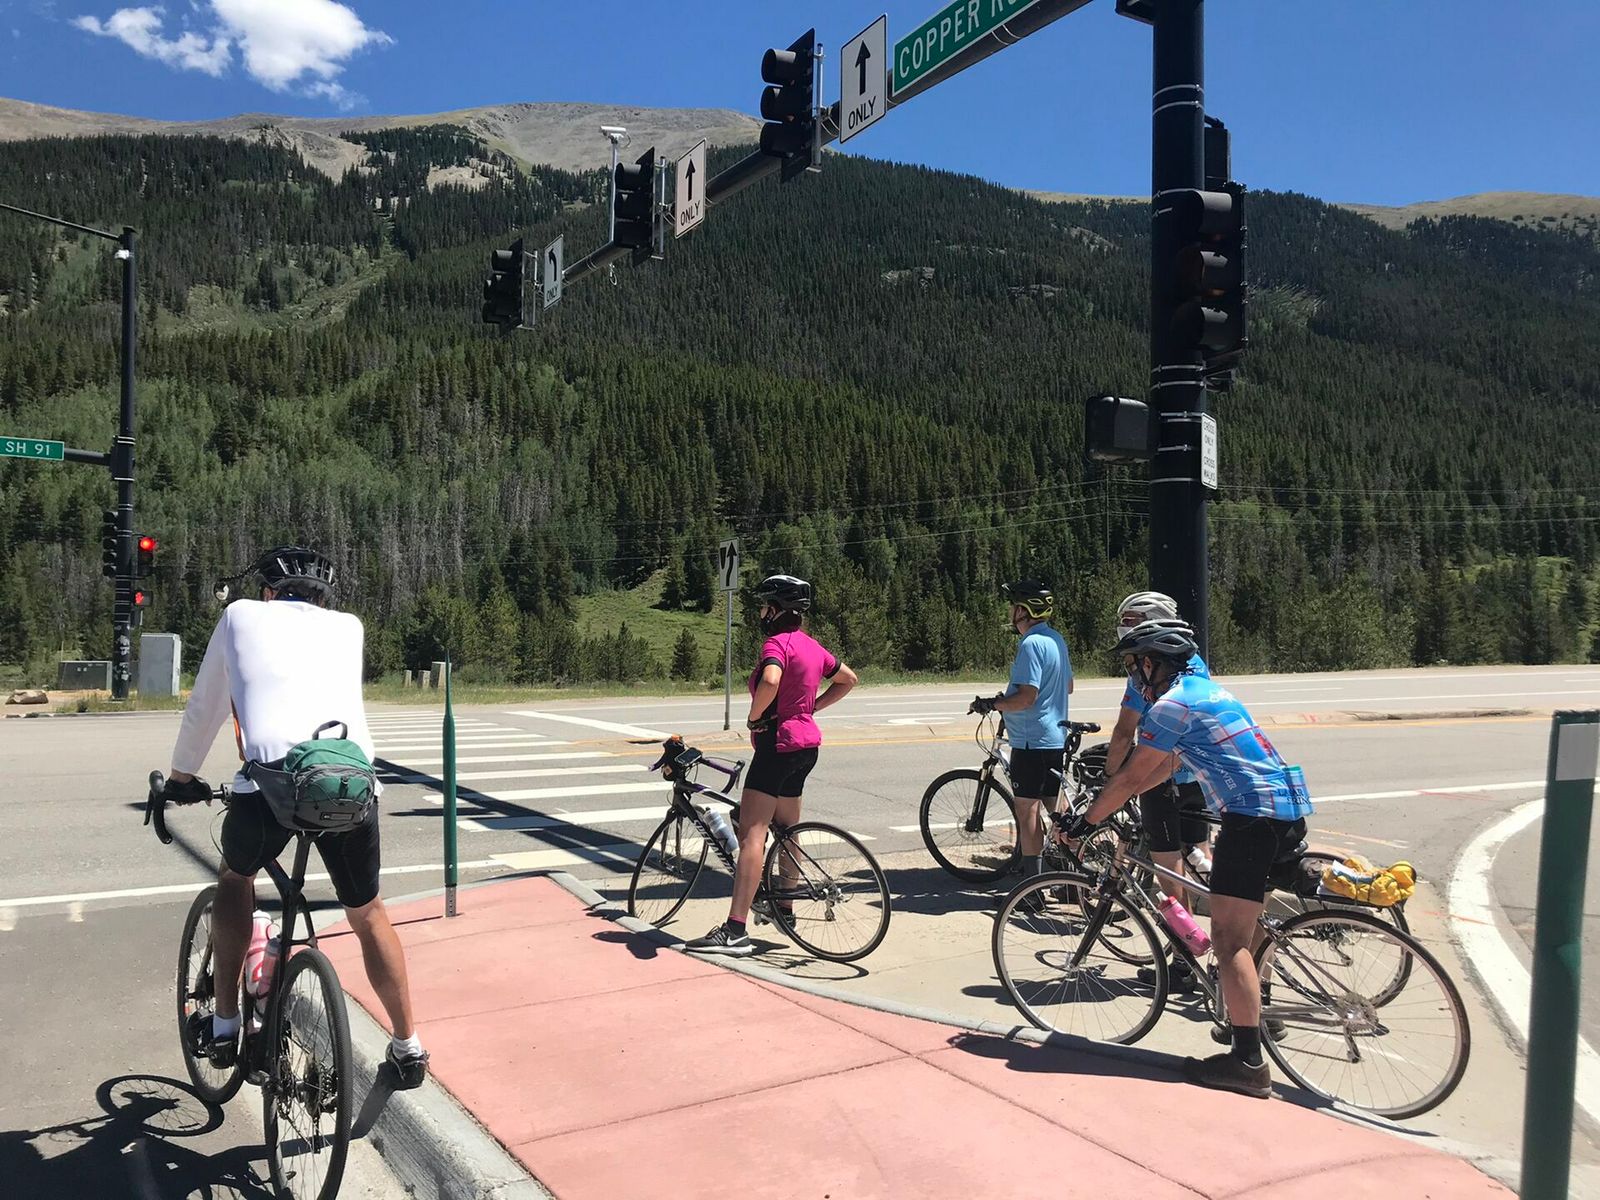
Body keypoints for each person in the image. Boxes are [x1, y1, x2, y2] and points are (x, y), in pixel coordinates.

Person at [161, 546, 429, 1088]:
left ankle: (225, 1024)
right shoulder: (349, 627)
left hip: (272, 786)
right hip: (350, 783)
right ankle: (409, 1046)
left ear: (268, 592)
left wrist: (182, 778)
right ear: (323, 598)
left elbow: (205, 707)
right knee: (368, 912)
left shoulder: (240, 615)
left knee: (235, 879)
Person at [1067, 618, 1313, 1099]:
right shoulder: (1205, 692)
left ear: (1153, 663)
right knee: (1251, 926)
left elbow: (1131, 777)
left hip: (1251, 818)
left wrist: (1086, 822)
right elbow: (1166, 768)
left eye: (1135, 666)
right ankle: (1253, 1014)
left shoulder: (1170, 706)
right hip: (1286, 809)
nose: (1135, 676)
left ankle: (1247, 1063)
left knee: (1228, 940)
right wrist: (1118, 800)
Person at [685, 574, 857, 956]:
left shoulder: (776, 643)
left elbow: (771, 679)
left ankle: (735, 930)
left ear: (776, 610)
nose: (761, 612)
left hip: (777, 746)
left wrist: (754, 717)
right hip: (806, 748)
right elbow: (848, 679)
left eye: (765, 606)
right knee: (788, 830)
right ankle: (785, 907)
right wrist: (811, 708)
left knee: (753, 835)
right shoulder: (812, 646)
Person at [1105, 590, 1214, 993]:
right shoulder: (1194, 661)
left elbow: (1123, 732)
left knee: (1170, 877)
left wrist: (1112, 781)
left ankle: (1183, 965)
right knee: (1202, 862)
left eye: (1130, 622)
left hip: (1159, 780)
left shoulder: (1146, 667)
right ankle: (1218, 951)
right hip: (1197, 779)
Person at [968, 580, 1073, 884]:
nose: (1011, 612)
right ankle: (1072, 877)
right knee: (1057, 810)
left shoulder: (1030, 644)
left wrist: (994, 703)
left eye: (1014, 607)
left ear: (1024, 611)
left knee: (1027, 810)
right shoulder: (1056, 639)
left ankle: (1032, 888)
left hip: (1030, 740)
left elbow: (1027, 697)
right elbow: (1067, 686)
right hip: (1054, 736)